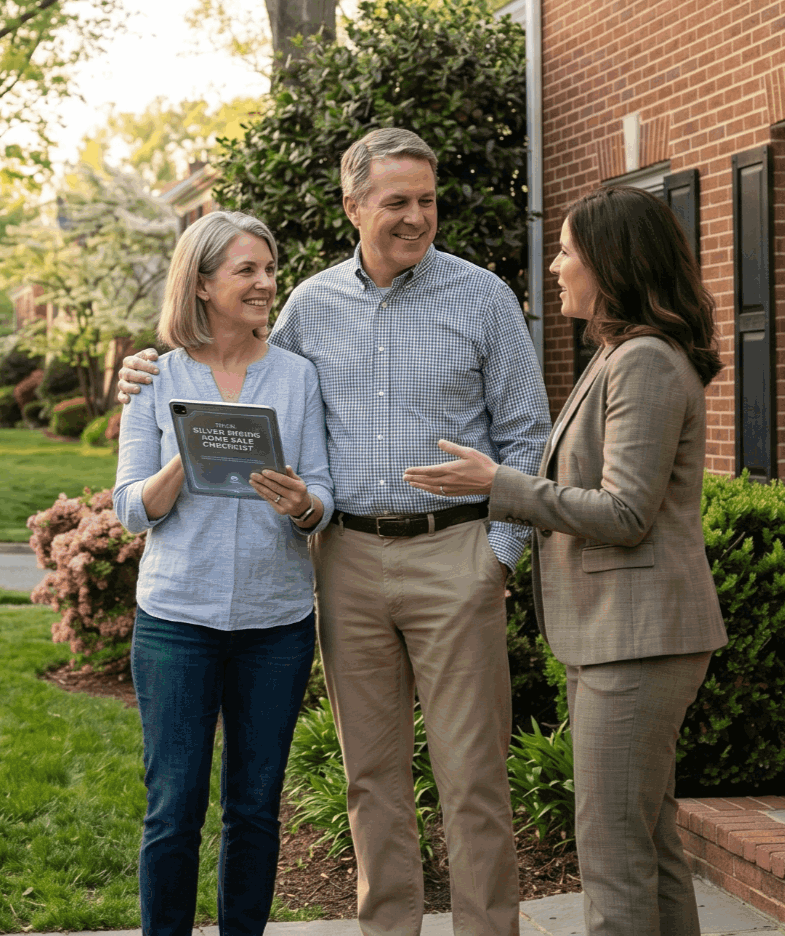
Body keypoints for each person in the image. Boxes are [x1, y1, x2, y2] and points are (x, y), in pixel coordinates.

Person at [119, 129, 550, 936]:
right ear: (354, 206)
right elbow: (238, 388)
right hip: (344, 561)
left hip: (455, 553)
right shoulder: (310, 307)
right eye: (397, 202)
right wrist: (145, 374)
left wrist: (496, 556)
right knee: (372, 777)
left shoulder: (483, 296)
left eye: (427, 200)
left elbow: (529, 435)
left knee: (473, 779)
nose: (417, 217)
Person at [403, 185, 728, 936]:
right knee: (648, 843)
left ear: (612, 264)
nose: (555, 266)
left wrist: (499, 487)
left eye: (569, 253)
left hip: (637, 639)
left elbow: (625, 513)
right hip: (623, 637)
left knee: (614, 854)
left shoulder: (643, 361)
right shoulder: (620, 353)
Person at [113, 210, 334, 936]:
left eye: (270, 269)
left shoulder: (298, 377)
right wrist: (190, 450)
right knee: (173, 808)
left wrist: (305, 504)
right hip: (177, 621)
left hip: (276, 626)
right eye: (248, 271)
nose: (267, 283)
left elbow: (323, 495)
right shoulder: (155, 377)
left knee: (255, 808)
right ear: (203, 283)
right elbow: (130, 508)